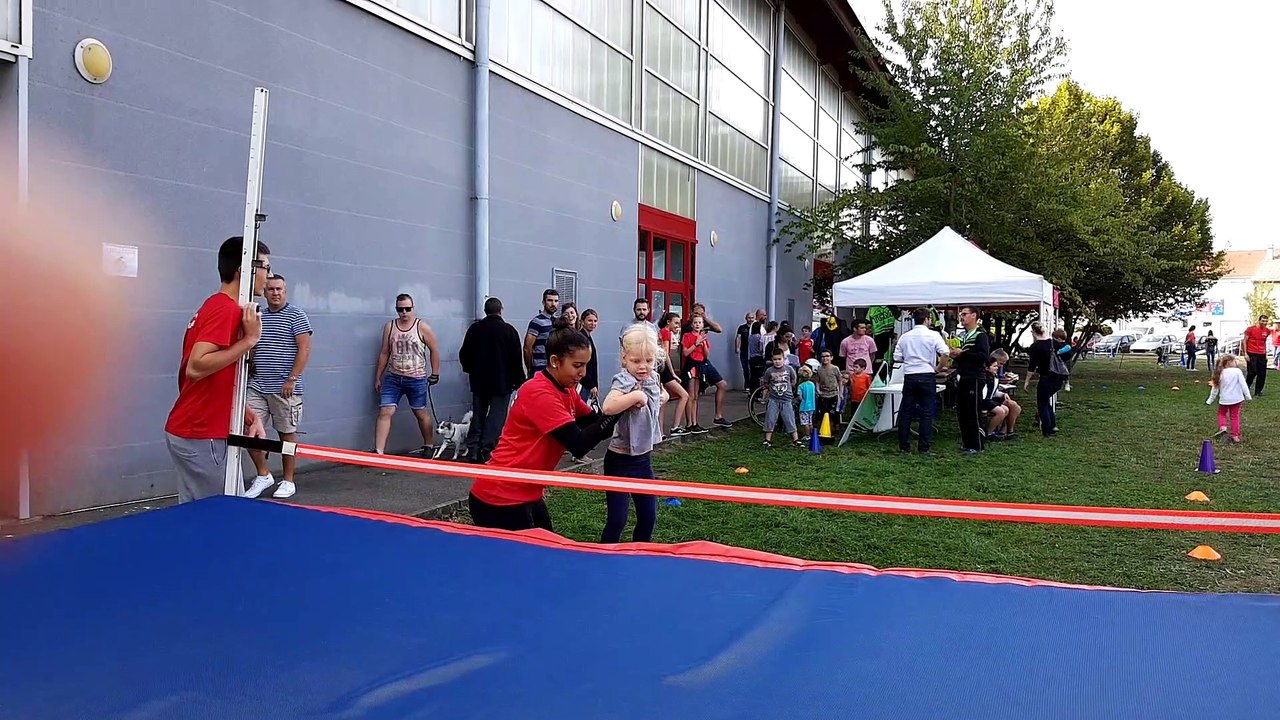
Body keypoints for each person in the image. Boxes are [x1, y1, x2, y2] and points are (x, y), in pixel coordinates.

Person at [467, 328, 624, 531]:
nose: (583, 373)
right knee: (527, 559)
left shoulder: (567, 390)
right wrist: (622, 405)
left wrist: (622, 401)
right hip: (500, 496)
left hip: (528, 492)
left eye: (585, 365)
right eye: (577, 365)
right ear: (555, 361)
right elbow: (579, 444)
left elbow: (598, 426)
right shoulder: (539, 393)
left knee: (547, 552)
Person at [164, 236, 270, 503]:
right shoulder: (225, 310)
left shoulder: (216, 306)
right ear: (245, 270)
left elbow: (220, 379)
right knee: (212, 518)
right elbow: (196, 367)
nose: (267, 277)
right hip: (201, 433)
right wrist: (248, 341)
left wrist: (248, 417)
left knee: (205, 514)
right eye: (265, 268)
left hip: (196, 430)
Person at [244, 274, 313, 500]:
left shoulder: (296, 315)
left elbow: (304, 349)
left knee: (287, 435)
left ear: (286, 291)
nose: (275, 293)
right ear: (264, 292)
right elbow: (253, 343)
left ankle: (288, 480)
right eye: (271, 289)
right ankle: (263, 474)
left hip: (285, 388)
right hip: (257, 386)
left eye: (279, 289)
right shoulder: (259, 315)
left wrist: (292, 379)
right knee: (248, 430)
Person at [599, 325, 668, 543]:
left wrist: (658, 398)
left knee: (648, 516)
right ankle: (604, 556)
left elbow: (660, 395)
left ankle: (640, 553)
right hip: (619, 459)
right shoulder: (624, 380)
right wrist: (635, 397)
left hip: (643, 459)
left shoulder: (653, 378)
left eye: (648, 360)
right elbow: (608, 406)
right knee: (618, 519)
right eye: (636, 361)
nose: (642, 366)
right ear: (624, 359)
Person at [459, 297, 524, 463]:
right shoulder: (509, 331)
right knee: (496, 417)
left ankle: (473, 448)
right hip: (502, 382)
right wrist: (519, 380)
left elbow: (464, 354)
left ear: (485, 310)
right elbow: (516, 359)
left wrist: (470, 370)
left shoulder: (475, 329)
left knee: (478, 414)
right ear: (500, 309)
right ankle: (487, 450)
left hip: (479, 380)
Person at [373, 294, 440, 455]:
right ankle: (379, 451)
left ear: (413, 308)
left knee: (420, 412)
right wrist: (378, 376)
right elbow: (384, 352)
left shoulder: (421, 327)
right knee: (385, 411)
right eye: (400, 309)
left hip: (416, 377)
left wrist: (435, 372)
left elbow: (434, 350)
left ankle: (429, 445)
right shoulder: (390, 327)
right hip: (394, 376)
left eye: (407, 309)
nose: (404, 313)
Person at [893, 308, 954, 454]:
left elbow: (897, 358)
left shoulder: (905, 336)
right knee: (926, 413)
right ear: (927, 319)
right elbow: (945, 352)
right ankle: (924, 447)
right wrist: (939, 367)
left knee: (906, 412)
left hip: (910, 375)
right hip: (927, 374)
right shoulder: (933, 335)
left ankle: (904, 447)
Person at [681, 314, 732, 431]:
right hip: (691, 364)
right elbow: (685, 353)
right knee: (691, 395)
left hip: (700, 365)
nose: (697, 325)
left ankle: (695, 422)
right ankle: (689, 424)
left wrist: (703, 343)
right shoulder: (687, 336)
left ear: (703, 325)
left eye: (700, 323)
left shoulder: (704, 337)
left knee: (696, 396)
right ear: (692, 324)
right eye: (695, 323)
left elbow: (706, 355)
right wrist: (696, 343)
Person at [1024, 322, 1066, 437]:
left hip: (1046, 378)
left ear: (1033, 332)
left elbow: (1032, 366)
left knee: (1042, 404)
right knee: (1046, 401)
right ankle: (1052, 426)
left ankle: (1046, 430)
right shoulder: (1053, 343)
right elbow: (1066, 353)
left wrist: (1027, 381)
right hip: (1058, 377)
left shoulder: (1035, 347)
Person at [761, 349, 801, 448]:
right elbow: (766, 383)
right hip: (773, 399)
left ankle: (795, 439)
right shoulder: (769, 371)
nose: (777, 361)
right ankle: (767, 440)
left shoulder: (789, 369)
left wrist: (789, 388)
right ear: (772, 360)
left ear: (784, 359)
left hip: (787, 399)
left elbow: (793, 380)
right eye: (775, 359)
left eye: (779, 359)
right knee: (770, 418)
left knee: (789, 419)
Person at [1207, 353, 1250, 443]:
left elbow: (1215, 389)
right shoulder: (1237, 371)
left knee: (1221, 414)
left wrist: (1210, 400)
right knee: (1234, 416)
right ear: (1230, 362)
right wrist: (1247, 396)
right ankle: (1235, 435)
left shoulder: (1219, 373)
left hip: (1224, 400)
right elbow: (1243, 385)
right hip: (1237, 399)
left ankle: (1223, 427)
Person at [982, 356, 1021, 440]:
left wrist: (1003, 395)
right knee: (1003, 410)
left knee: (1015, 407)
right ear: (987, 367)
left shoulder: (994, 377)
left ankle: (1007, 431)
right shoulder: (984, 377)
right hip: (984, 400)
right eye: (995, 366)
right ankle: (988, 433)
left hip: (990, 399)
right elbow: (983, 395)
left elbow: (993, 392)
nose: (998, 368)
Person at [524, 288, 559, 378]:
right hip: (540, 369)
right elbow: (527, 348)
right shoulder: (537, 322)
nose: (553, 304)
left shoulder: (557, 322)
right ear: (543, 302)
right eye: (550, 300)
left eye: (556, 301)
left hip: (554, 369)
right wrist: (530, 368)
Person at [1243, 315, 1270, 396]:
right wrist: (1245, 353)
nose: (1264, 323)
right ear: (1259, 321)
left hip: (1262, 354)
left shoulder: (1267, 331)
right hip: (1251, 353)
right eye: (1263, 321)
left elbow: (1264, 342)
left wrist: (1265, 354)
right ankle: (1245, 389)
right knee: (1252, 372)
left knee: (1262, 373)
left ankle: (1258, 391)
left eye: (1266, 321)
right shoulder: (1250, 329)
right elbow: (1244, 341)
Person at [579, 309, 601, 405]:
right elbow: (583, 364)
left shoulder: (588, 337)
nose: (593, 323)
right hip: (584, 383)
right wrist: (591, 385)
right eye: (590, 320)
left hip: (589, 383)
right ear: (582, 321)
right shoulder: (581, 338)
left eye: (595, 321)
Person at [797, 365, 817, 442]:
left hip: (804, 406)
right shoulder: (812, 384)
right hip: (812, 406)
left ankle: (807, 435)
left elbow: (800, 397)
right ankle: (812, 434)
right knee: (810, 421)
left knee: (805, 423)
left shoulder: (800, 386)